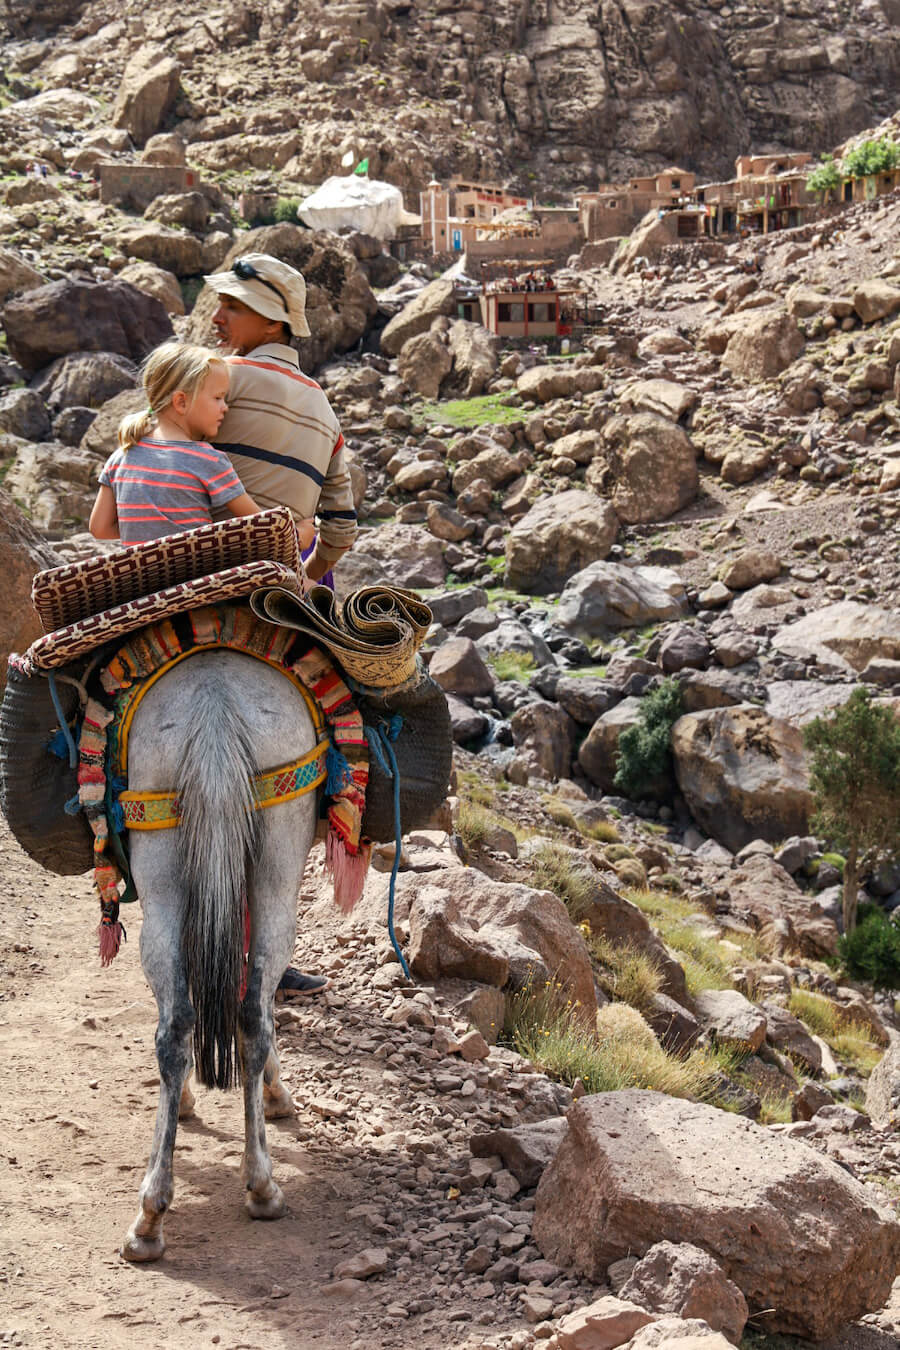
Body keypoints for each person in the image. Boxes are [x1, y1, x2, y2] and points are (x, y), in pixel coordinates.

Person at [202, 253, 359, 997]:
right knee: (338, 729)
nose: (216, 317)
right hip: (279, 600)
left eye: (230, 306)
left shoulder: (217, 379)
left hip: (194, 580)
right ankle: (270, 945)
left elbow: (164, 459)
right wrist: (306, 570)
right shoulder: (324, 409)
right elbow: (345, 522)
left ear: (269, 318)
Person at [89, 342, 262, 546]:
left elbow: (99, 528)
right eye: (218, 398)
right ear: (181, 401)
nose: (225, 407)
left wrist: (148, 532)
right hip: (194, 576)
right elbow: (260, 524)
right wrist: (301, 532)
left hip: (139, 577)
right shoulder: (206, 458)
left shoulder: (121, 456)